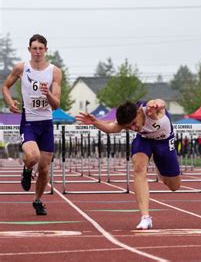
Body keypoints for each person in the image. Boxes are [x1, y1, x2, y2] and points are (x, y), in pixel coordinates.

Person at [76, 99, 181, 229]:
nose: (133, 128)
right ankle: (145, 217)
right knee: (138, 168)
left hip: (164, 142)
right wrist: (95, 122)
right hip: (144, 140)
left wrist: (156, 105)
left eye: (133, 124)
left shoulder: (151, 110)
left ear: (139, 112)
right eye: (128, 127)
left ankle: (159, 167)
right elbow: (111, 129)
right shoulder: (129, 117)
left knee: (174, 185)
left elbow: (161, 102)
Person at [2, 34, 62, 215]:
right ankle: (27, 169)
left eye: (40, 48)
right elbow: (5, 86)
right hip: (29, 122)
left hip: (46, 124)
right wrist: (9, 101)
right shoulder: (22, 68)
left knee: (44, 168)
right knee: (33, 156)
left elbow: (57, 104)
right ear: (29, 50)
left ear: (46, 50)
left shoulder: (54, 71)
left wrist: (48, 94)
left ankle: (37, 200)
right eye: (34, 48)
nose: (37, 52)